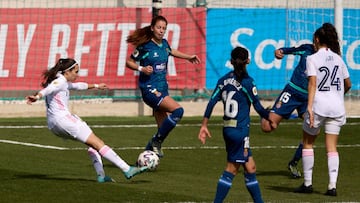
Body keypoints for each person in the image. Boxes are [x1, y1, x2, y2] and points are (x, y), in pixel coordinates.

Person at [26, 58, 148, 182]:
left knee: (93, 144)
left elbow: (78, 86)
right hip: (64, 120)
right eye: (76, 71)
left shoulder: (61, 81)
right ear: (67, 72)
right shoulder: (60, 81)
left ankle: (101, 176)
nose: (77, 75)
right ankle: (127, 169)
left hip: (53, 125)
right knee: (98, 143)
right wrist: (37, 96)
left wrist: (96, 86)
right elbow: (50, 89)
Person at [198, 47, 271, 203]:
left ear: (231, 62)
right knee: (231, 169)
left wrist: (204, 125)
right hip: (240, 132)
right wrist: (273, 116)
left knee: (250, 167)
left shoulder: (223, 80)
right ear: (248, 61)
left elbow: (211, 103)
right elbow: (258, 107)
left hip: (228, 130)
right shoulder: (248, 82)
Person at [126, 15, 200, 158]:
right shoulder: (145, 46)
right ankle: (156, 142)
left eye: (164, 28)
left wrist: (189, 57)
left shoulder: (164, 44)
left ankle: (144, 158)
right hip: (150, 89)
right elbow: (129, 62)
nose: (161, 30)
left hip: (162, 88)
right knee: (178, 111)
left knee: (163, 129)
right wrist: (142, 69)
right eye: (159, 27)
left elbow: (171, 51)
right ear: (152, 28)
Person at [294, 23, 351, 196]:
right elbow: (348, 84)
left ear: (317, 40)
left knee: (308, 143)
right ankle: (332, 186)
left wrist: (309, 107)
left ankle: (308, 183)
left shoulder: (312, 58)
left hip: (318, 106)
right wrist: (337, 94)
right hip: (336, 107)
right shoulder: (338, 58)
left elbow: (312, 83)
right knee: (331, 147)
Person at [261, 43, 315, 178]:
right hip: (292, 91)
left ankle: (294, 162)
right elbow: (289, 50)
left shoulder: (327, 56)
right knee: (267, 126)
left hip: (308, 97)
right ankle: (269, 112)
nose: (315, 42)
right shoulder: (307, 49)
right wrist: (279, 52)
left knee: (312, 129)